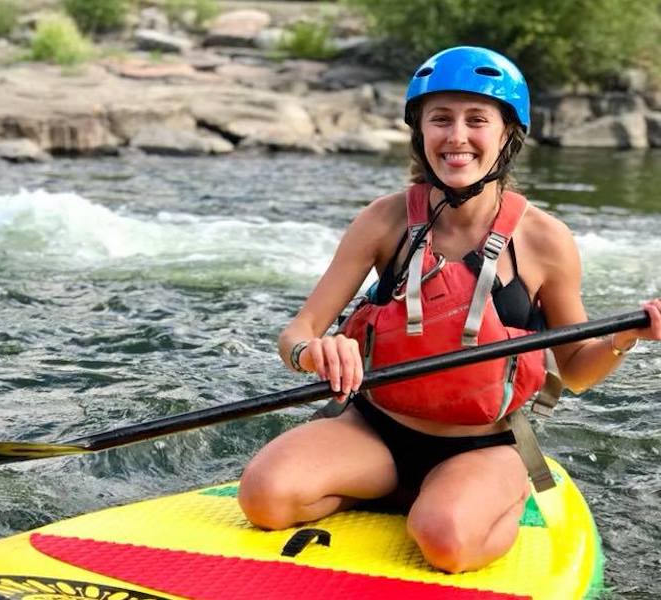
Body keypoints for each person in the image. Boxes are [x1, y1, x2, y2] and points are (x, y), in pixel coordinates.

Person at [237, 46, 661, 574]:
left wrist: (628, 337)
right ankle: (392, 493)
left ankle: (488, 496)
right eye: (441, 119)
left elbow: (574, 371)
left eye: (476, 120)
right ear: (420, 132)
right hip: (375, 429)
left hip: (483, 444)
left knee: (448, 542)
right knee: (265, 497)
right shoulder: (384, 220)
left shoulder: (545, 240)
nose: (456, 136)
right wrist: (313, 352)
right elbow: (297, 332)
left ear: (508, 134)